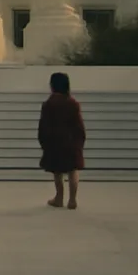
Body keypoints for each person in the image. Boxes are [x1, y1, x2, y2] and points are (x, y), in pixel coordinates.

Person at [38, 71, 85, 210]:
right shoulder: (73, 103)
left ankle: (59, 198)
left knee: (57, 171)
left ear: (52, 85)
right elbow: (79, 125)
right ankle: (72, 200)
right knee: (73, 170)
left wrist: (44, 142)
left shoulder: (49, 104)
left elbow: (44, 126)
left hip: (55, 142)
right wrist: (80, 142)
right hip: (72, 141)